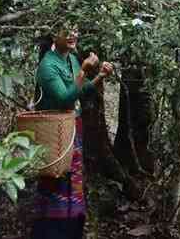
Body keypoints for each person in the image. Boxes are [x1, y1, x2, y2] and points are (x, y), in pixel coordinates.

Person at [32, 23, 113, 239]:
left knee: (72, 182)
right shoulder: (48, 66)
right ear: (53, 35)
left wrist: (100, 76)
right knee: (56, 180)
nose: (73, 35)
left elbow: (80, 91)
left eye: (76, 29)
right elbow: (64, 99)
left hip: (71, 130)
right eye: (66, 31)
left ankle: (72, 230)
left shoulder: (71, 58)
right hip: (54, 132)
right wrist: (85, 69)